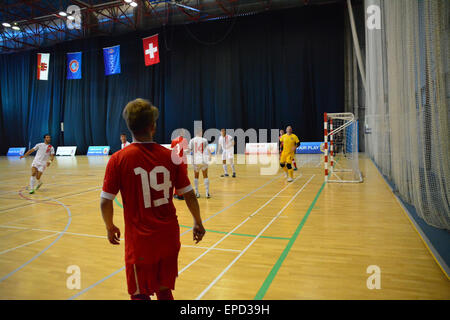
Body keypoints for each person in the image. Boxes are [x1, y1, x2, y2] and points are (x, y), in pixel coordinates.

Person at [100, 98, 205, 300]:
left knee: (140, 294)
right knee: (164, 290)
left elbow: (105, 201)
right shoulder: (171, 156)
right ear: (153, 126)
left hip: (140, 242)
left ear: (129, 128)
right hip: (168, 238)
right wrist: (198, 222)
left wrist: (109, 226)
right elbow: (189, 194)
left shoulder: (118, 159)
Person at [188, 129, 211, 198]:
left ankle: (197, 193)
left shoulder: (192, 140)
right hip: (203, 159)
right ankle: (207, 193)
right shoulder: (204, 140)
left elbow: (189, 150)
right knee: (205, 175)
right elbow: (208, 149)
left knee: (196, 176)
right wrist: (210, 156)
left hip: (196, 160)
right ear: (200, 132)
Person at [171, 129, 189, 200]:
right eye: (184, 132)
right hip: (182, 160)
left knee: (176, 177)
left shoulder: (173, 140)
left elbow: (172, 150)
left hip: (175, 160)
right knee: (183, 177)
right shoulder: (184, 140)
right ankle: (180, 194)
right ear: (181, 133)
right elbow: (186, 150)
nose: (184, 133)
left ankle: (176, 193)